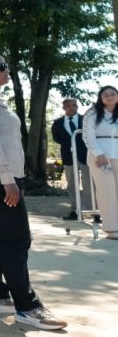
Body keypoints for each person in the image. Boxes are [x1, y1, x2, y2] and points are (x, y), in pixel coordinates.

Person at [0, 53, 67, 329]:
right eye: (2, 67)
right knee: (17, 238)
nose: (7, 71)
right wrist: (7, 178)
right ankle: (27, 306)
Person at [82, 86, 118, 240]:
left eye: (113, 94)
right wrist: (99, 153)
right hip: (100, 156)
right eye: (106, 95)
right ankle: (111, 228)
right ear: (100, 97)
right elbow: (87, 136)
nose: (110, 97)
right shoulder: (92, 113)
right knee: (107, 190)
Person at [51, 98, 91, 220]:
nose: (72, 107)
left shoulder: (85, 120)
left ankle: (90, 210)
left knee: (88, 184)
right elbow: (57, 138)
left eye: (74, 105)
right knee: (72, 184)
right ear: (64, 108)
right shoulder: (58, 123)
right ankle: (75, 210)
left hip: (85, 157)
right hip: (69, 157)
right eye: (68, 106)